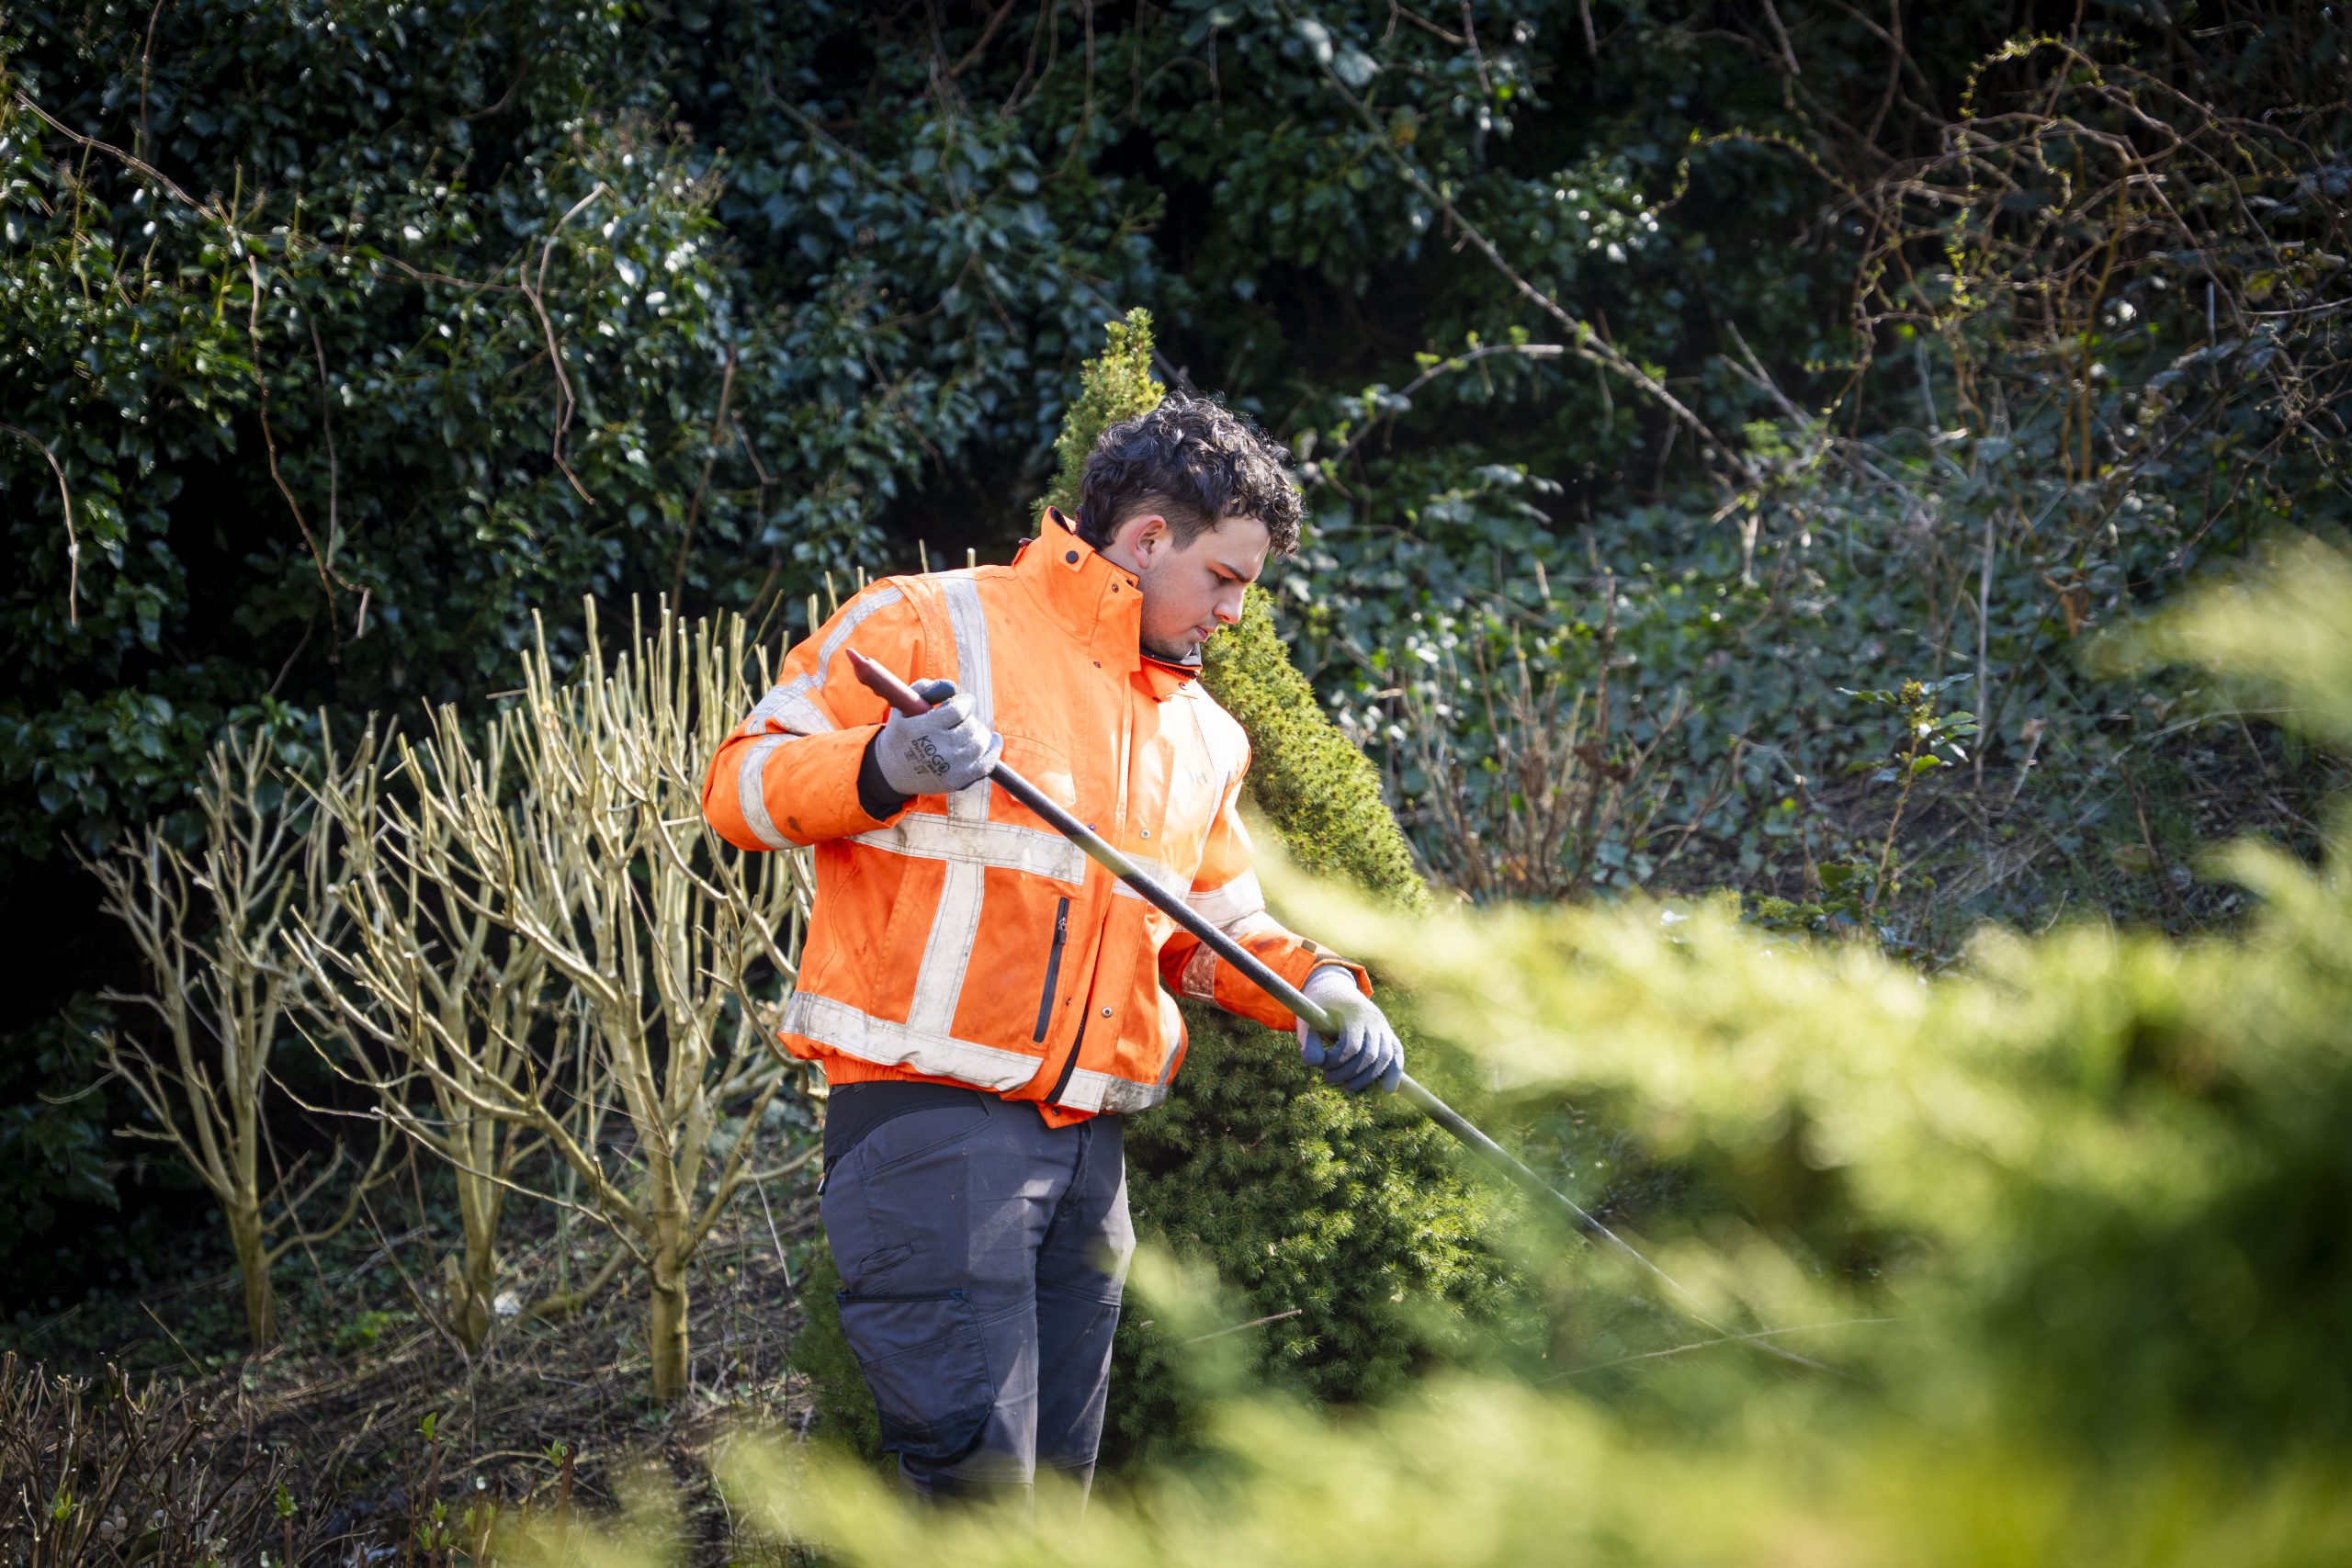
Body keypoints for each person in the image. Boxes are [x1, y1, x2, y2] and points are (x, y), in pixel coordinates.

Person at [701, 393, 1403, 1507]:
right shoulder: (924, 624)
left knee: (1052, 1510)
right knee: (979, 1498)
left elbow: (1212, 929)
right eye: (1224, 579)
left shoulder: (1201, 733)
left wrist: (1322, 989)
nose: (1233, 614)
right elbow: (737, 787)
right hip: (929, 1127)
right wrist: (884, 763)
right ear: (1147, 539)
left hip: (1089, 1161)